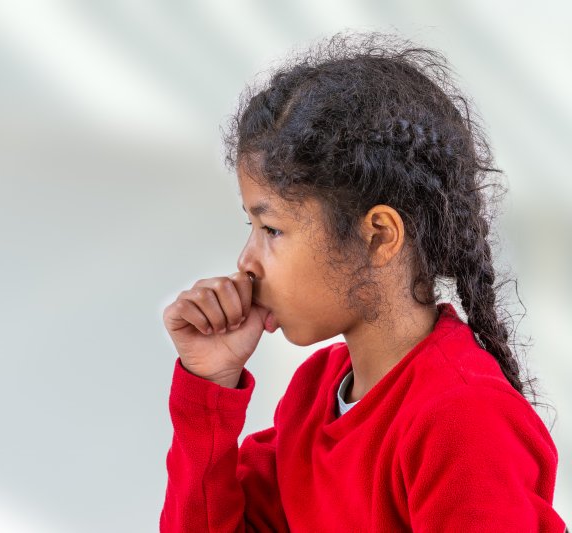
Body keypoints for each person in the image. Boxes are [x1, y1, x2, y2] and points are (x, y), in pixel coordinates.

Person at [159, 32, 567, 532]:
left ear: (378, 236)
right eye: (252, 228)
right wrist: (210, 386)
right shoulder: (315, 394)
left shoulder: (463, 419)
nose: (246, 263)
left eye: (272, 229)